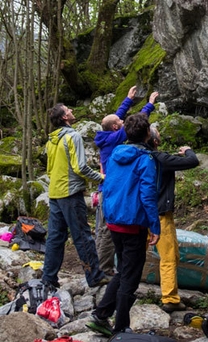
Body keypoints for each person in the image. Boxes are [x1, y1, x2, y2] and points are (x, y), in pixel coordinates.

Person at [87, 113, 160, 336]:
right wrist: (154, 226)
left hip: (114, 222)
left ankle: (101, 315)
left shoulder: (115, 154)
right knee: (131, 276)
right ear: (147, 134)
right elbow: (147, 195)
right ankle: (120, 328)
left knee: (122, 271)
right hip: (132, 225)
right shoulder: (145, 159)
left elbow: (108, 186)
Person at [42, 103, 108, 289]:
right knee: (82, 236)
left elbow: (49, 170)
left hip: (54, 193)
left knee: (55, 238)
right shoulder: (73, 136)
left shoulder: (51, 140)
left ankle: (48, 279)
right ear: (64, 117)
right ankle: (95, 276)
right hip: (70, 194)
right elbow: (80, 167)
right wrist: (102, 178)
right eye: (68, 110)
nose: (72, 111)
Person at [95, 86, 159, 274]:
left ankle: (104, 266)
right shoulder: (115, 138)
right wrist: (150, 104)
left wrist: (128, 99)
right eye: (120, 122)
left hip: (108, 189)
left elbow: (116, 118)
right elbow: (136, 124)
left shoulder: (107, 136)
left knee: (104, 230)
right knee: (107, 233)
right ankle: (104, 269)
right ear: (116, 128)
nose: (122, 121)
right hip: (110, 191)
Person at [146, 126, 199, 312]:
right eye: (158, 134)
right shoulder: (162, 159)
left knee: (135, 257)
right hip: (159, 214)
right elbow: (192, 161)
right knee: (168, 256)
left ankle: (122, 292)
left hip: (138, 214)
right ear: (154, 140)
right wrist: (187, 150)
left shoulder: (138, 157)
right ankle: (169, 298)